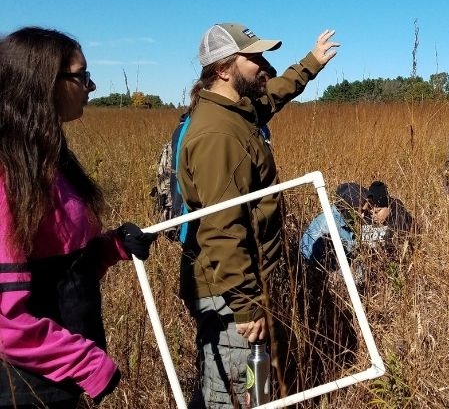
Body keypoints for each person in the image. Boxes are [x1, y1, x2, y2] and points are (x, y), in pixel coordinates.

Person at [177, 23, 339, 408]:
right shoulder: (219, 135)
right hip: (229, 295)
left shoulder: (236, 112)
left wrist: (310, 64)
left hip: (236, 287)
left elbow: (273, 96)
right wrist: (248, 305)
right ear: (223, 69)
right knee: (235, 392)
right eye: (253, 58)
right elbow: (222, 229)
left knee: (249, 386)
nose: (264, 64)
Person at [0, 27, 156, 408]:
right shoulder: (7, 178)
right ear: (43, 83)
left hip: (58, 380)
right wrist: (86, 363)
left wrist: (110, 247)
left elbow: (55, 270)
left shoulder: (49, 162)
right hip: (24, 387)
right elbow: (6, 324)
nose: (92, 86)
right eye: (81, 76)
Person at [300, 182, 363, 272]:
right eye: (362, 211)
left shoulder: (344, 219)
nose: (363, 215)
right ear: (350, 207)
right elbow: (328, 266)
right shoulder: (329, 225)